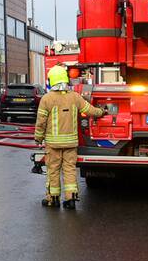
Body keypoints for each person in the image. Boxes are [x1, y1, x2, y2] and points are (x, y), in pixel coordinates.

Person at [34, 65, 106, 210]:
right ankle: (71, 199)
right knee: (69, 170)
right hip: (71, 144)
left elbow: (41, 121)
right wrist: (102, 112)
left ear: (52, 80)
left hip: (53, 144)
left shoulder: (46, 99)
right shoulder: (74, 97)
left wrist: (38, 138)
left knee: (53, 170)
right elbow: (89, 110)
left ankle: (53, 199)